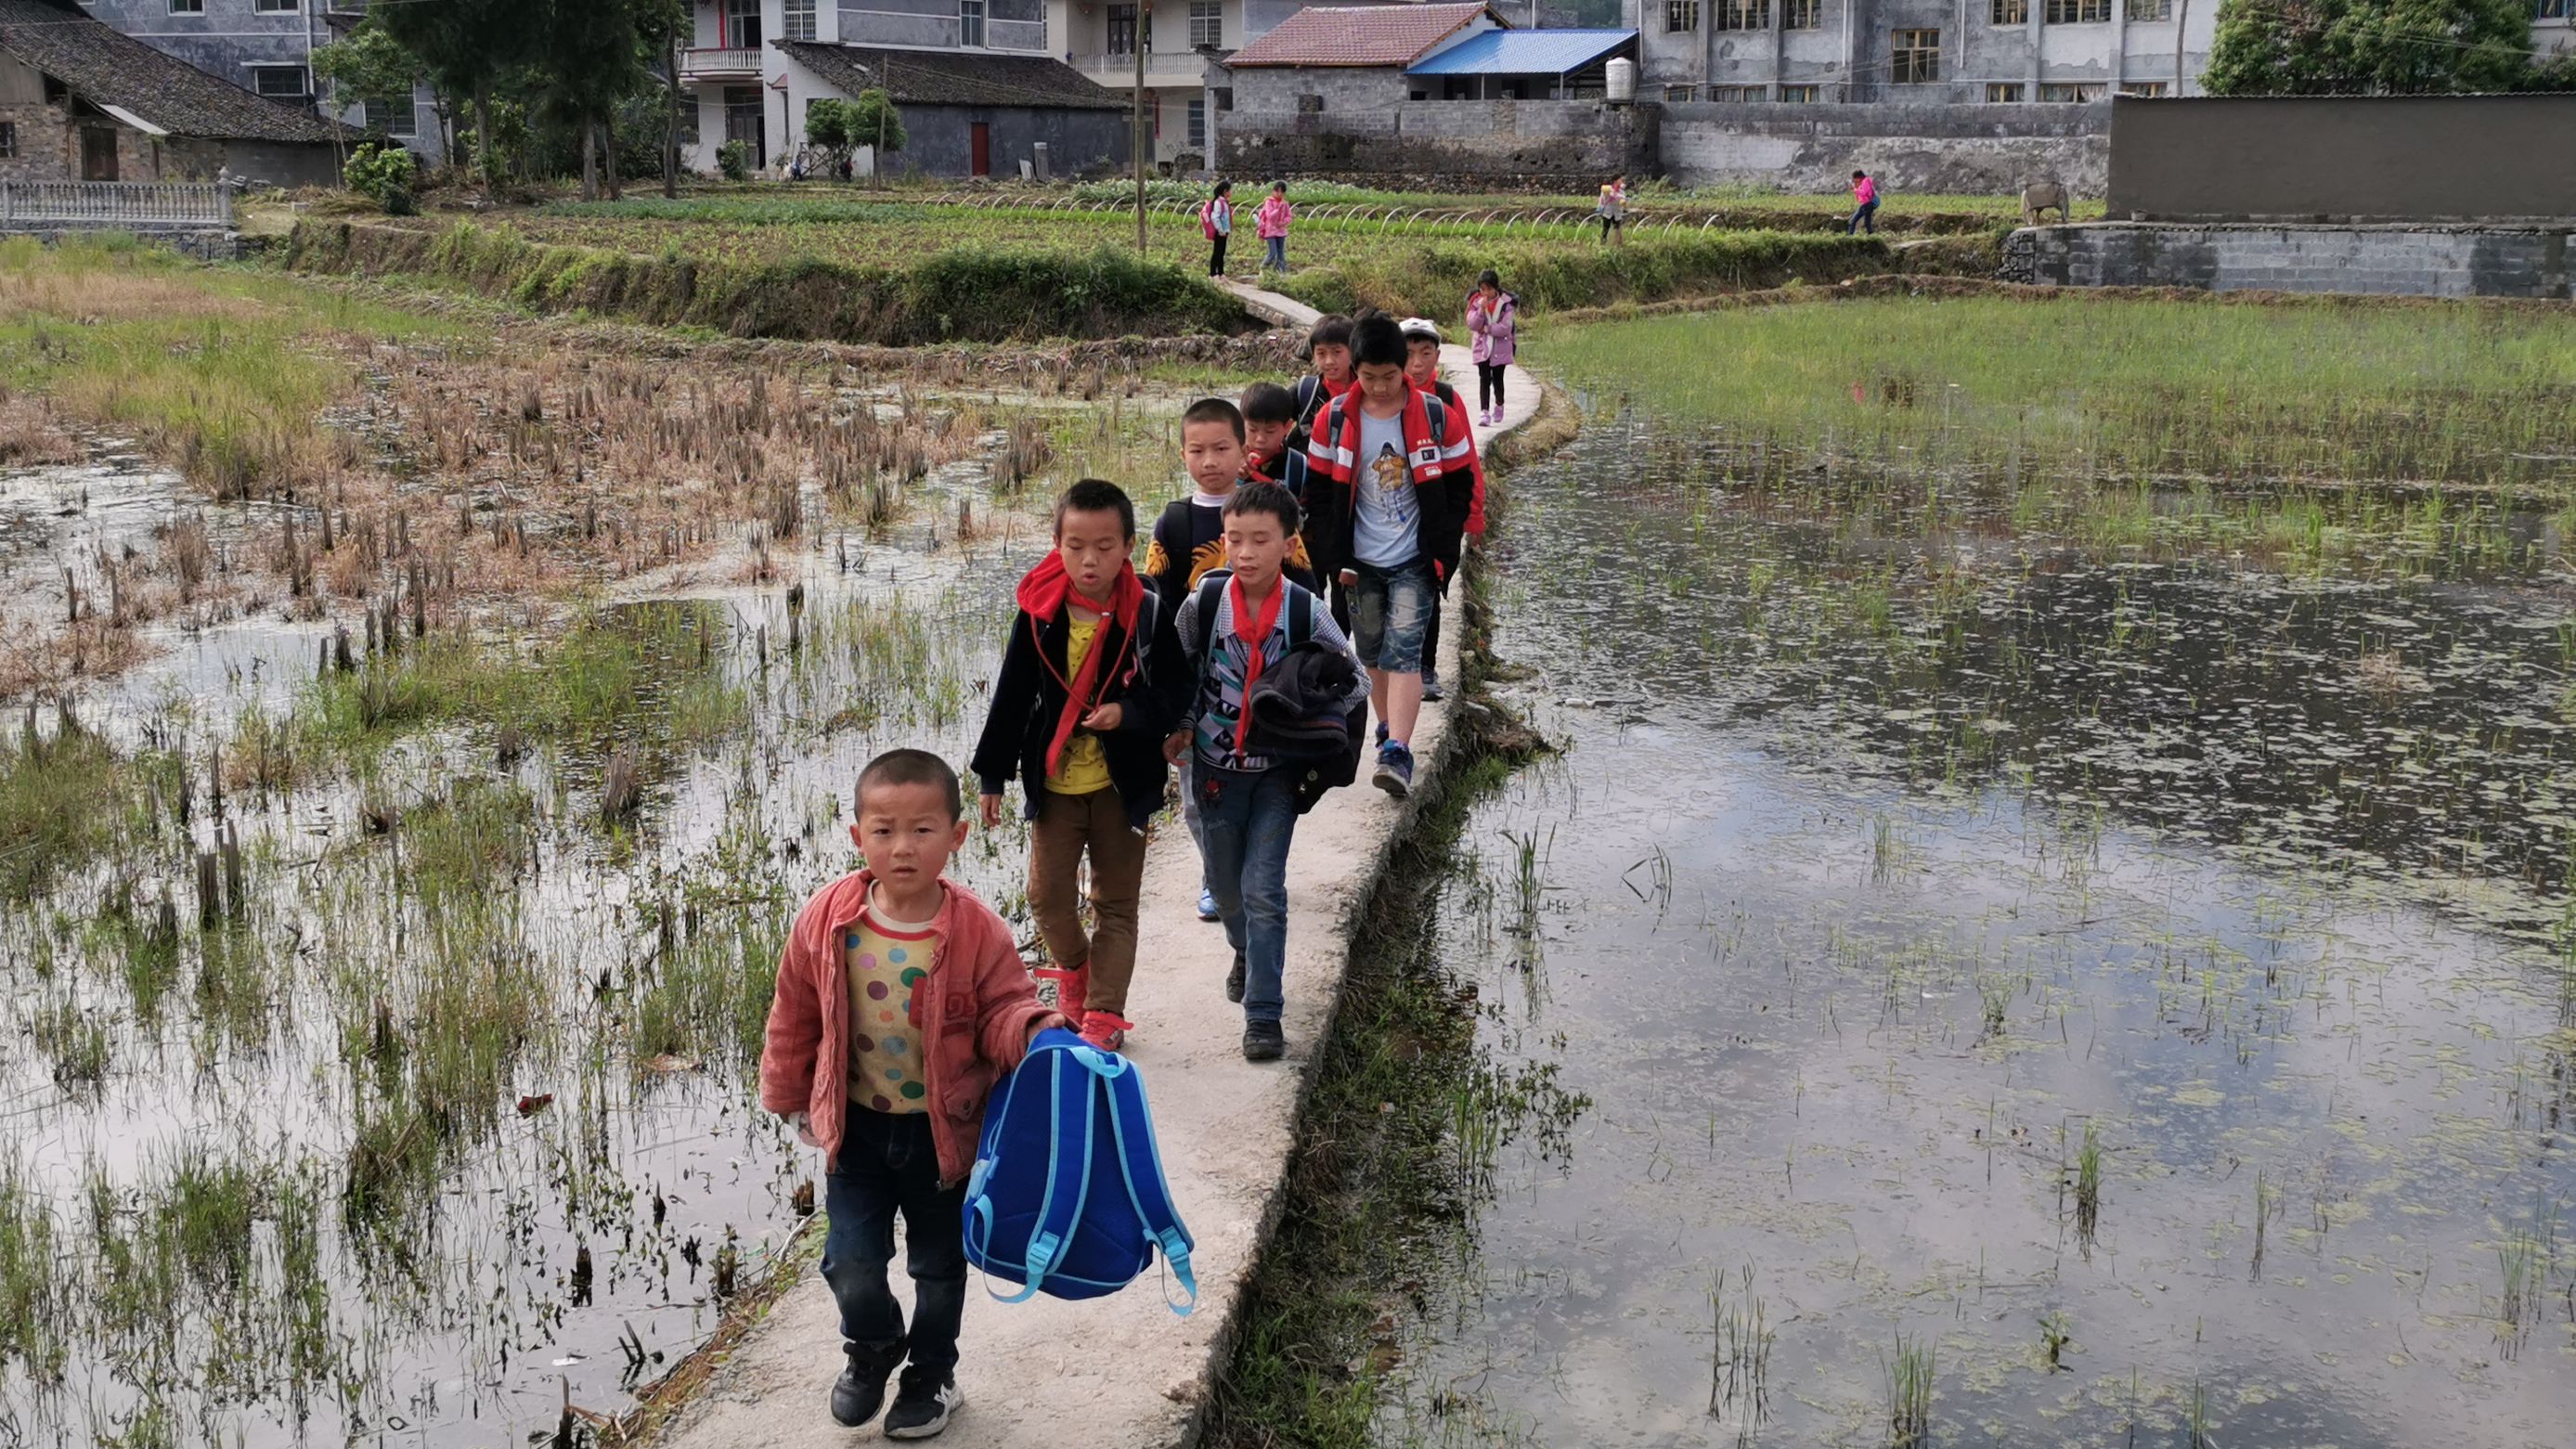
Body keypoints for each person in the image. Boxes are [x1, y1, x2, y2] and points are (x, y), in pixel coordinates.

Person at [759, 749, 1064, 1441]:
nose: (903, 847)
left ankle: (930, 1376)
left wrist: (1038, 1030)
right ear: (856, 835)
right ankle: (872, 1346)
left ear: (956, 836)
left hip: (943, 1134)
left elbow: (1003, 1011)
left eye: (923, 829)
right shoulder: (827, 919)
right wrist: (785, 1089)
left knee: (937, 1266)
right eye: (884, 829)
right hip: (857, 1128)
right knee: (851, 1259)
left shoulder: (975, 929)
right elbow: (794, 1009)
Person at [970, 479, 1184, 1053]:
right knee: (1046, 895)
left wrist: (1129, 713)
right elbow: (1012, 696)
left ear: (1130, 547)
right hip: (1058, 783)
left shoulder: (1150, 612)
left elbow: (1173, 691)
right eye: (1076, 546)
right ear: (1056, 543)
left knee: (1116, 901)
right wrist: (993, 775)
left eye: (1106, 546)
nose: (1090, 561)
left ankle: (1104, 1010)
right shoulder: (1038, 613)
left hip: (1123, 784)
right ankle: (1076, 970)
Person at [1165, 483, 1367, 1061]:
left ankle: (1263, 1016)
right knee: (1227, 889)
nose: (1246, 552)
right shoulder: (1204, 604)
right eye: (1235, 539)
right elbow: (1180, 672)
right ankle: (1246, 951)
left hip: (1278, 773)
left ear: (1288, 544)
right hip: (1211, 770)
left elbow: (1354, 681)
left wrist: (1306, 705)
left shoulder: (1306, 610)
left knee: (1264, 891)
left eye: (1261, 540)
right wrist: (1178, 725)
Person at [1146, 398, 1318, 925]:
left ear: (1244, 449)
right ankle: (1214, 874)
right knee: (1198, 796)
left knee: (1262, 783)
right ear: (1182, 454)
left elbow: (1305, 588)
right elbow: (1155, 598)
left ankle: (1254, 871)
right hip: (1198, 688)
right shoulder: (1174, 521)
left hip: (1262, 682)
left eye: (1222, 448)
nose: (1210, 460)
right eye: (1197, 450)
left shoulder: (1268, 510)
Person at [1303, 314, 1472, 799]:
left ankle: (1398, 749)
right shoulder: (1333, 418)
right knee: (1372, 653)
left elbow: (1461, 482)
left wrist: (1446, 542)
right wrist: (1331, 551)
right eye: (1368, 377)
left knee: (1405, 654)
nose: (1378, 387)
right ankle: (1386, 730)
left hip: (1415, 559)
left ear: (1406, 370)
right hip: (1359, 560)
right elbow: (1316, 488)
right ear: (1354, 370)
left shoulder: (1437, 415)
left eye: (1389, 377)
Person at [1397, 317, 1487, 705]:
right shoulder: (1384, 399)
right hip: (1394, 514)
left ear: (1438, 356)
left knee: (1430, 587)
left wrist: (1474, 514)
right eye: (1409, 354)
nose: (1417, 363)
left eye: (1426, 353)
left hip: (1436, 514)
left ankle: (1426, 667)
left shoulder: (1447, 401)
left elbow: (1468, 461)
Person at [1287, 313, 1354, 456]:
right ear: (1313, 355)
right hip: (1307, 472)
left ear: (1353, 351)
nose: (1329, 361)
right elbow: (1270, 424)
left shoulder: (1367, 392)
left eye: (1337, 352)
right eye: (1321, 354)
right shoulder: (1305, 391)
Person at [1239, 382, 1312, 506]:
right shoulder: (1229, 461)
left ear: (1288, 427)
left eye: (1270, 431)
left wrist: (1252, 475)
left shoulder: (1299, 466)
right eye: (1252, 429)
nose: (1260, 439)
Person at [1465, 269, 1517, 428]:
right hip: (1482, 348)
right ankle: (1484, 412)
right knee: (1484, 379)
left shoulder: (1506, 304)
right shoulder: (1475, 302)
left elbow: (1506, 327)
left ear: (1496, 288)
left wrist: (1488, 329)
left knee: (1498, 379)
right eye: (1482, 289)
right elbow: (1473, 324)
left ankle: (1499, 404)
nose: (1485, 292)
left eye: (1489, 289)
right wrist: (1481, 310)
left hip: (1500, 349)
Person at [1256, 181, 1293, 274]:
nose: (1279, 194)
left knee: (1281, 254)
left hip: (1281, 231)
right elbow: (1269, 216)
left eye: (1282, 192)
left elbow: (1289, 216)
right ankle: (1263, 268)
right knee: (1272, 253)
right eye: (1277, 191)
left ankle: (1281, 273)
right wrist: (1278, 209)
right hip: (1270, 232)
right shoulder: (1269, 202)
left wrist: (1283, 222)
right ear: (1274, 191)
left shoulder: (1285, 203)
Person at [1202, 180, 1234, 278]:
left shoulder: (1225, 202)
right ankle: (1213, 273)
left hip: (1224, 231)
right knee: (1217, 252)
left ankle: (1221, 272)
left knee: (1222, 252)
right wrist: (1220, 230)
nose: (1231, 192)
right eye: (1230, 190)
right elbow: (1214, 217)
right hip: (1220, 232)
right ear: (1225, 191)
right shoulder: (1218, 203)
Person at [1596, 174, 1626, 245]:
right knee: (1605, 229)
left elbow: (1622, 199)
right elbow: (1602, 199)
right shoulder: (1607, 189)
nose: (1622, 181)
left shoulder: (1621, 191)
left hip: (1617, 213)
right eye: (1620, 180)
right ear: (1615, 181)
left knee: (1618, 230)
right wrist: (1600, 209)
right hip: (1607, 212)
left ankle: (1618, 245)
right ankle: (1602, 245)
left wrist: (1623, 201)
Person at [1847, 170, 1879, 235]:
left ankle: (1851, 235)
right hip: (1865, 204)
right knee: (1860, 221)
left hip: (1868, 204)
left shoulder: (1865, 181)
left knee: (1859, 221)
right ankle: (1870, 235)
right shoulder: (1863, 182)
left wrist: (1854, 189)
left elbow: (1864, 192)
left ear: (1858, 177)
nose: (1855, 180)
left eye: (1855, 178)